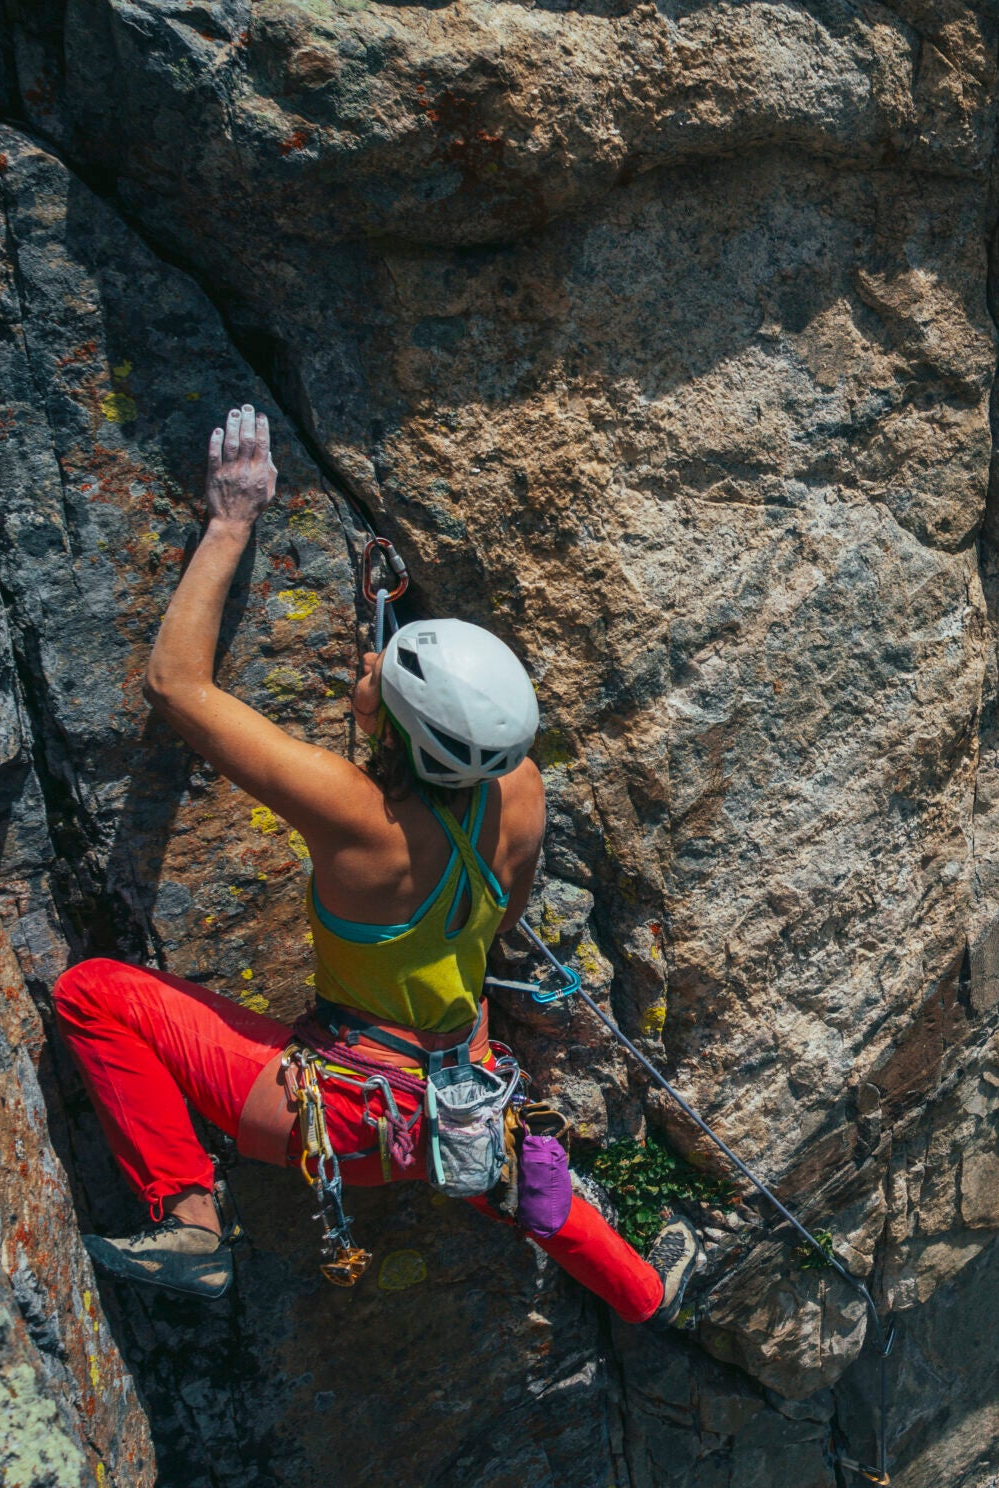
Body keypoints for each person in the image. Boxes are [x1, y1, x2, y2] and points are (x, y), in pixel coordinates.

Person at [55, 404, 695, 1317]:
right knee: (503, 1169)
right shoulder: (520, 791)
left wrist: (231, 522)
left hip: (342, 1112)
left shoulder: (354, 814)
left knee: (94, 995)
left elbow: (175, 686)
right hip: (456, 1080)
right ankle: (643, 1292)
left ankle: (190, 1220)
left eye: (378, 674)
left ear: (388, 724)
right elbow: (503, 923)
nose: (366, 660)